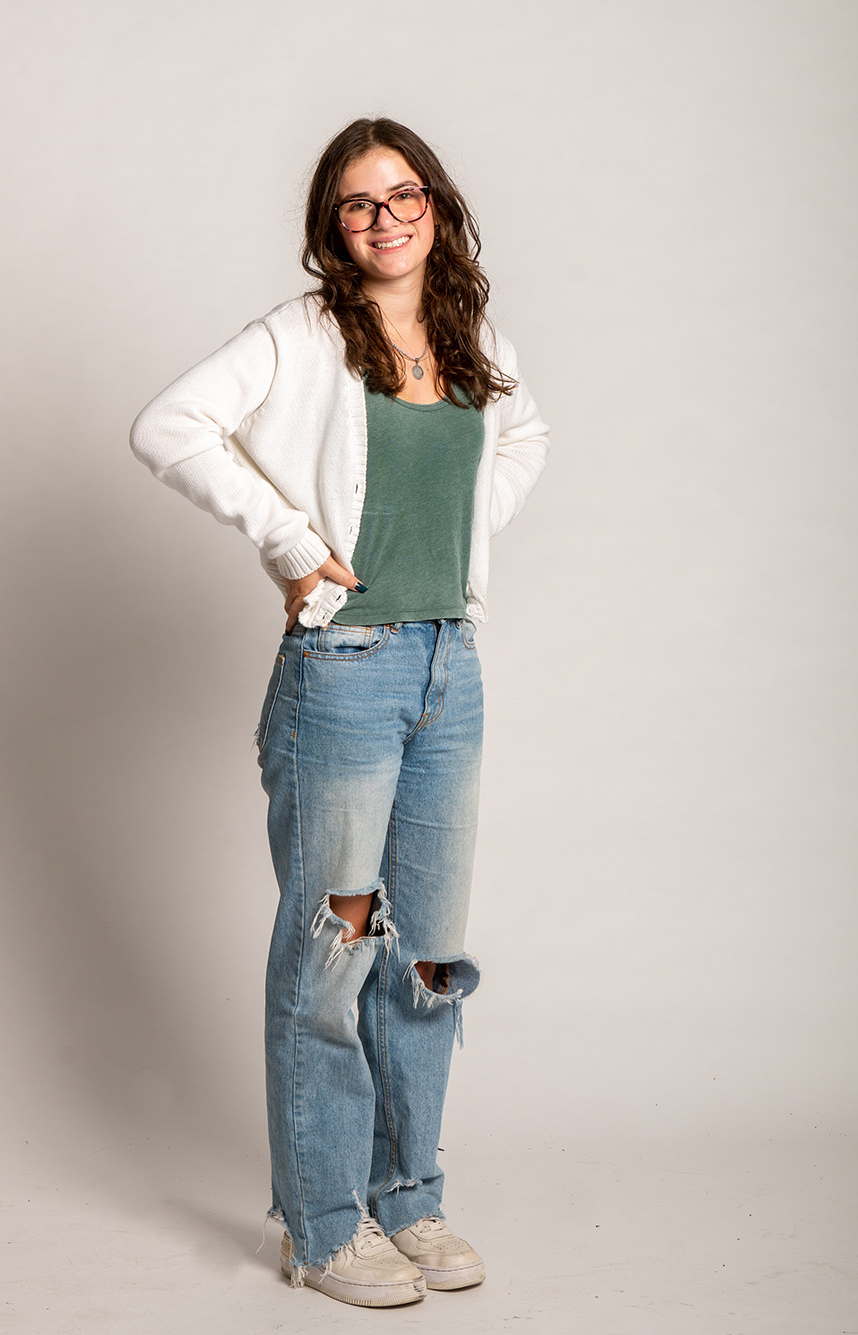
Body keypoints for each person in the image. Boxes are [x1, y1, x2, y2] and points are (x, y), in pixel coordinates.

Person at [130, 117, 549, 1308]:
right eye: (359, 203)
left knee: (421, 958)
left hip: (446, 670)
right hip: (345, 676)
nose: (385, 218)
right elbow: (167, 425)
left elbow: (521, 439)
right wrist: (290, 542)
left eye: (402, 194)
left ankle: (406, 1198)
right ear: (332, 224)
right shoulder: (303, 336)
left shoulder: (473, 341)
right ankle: (320, 1225)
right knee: (330, 952)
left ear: (436, 205)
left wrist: (462, 536)